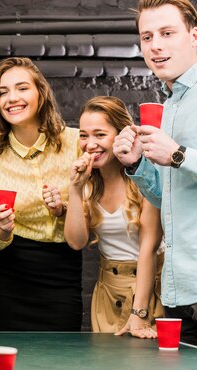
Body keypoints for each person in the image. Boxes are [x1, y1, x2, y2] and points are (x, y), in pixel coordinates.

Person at [113, 0, 197, 354]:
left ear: (194, 36)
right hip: (178, 292)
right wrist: (138, 166)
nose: (156, 45)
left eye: (167, 33)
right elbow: (168, 198)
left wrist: (181, 156)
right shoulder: (169, 107)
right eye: (147, 36)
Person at [0, 57, 83, 331]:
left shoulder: (75, 143)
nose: (12, 98)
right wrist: (1, 229)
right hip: (11, 282)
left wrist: (65, 210)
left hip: (63, 277)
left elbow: (96, 208)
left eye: (22, 88)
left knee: (62, 367)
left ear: (40, 94)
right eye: (3, 92)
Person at [64, 96, 164, 338]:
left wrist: (138, 314)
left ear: (122, 135)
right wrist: (75, 189)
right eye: (84, 135)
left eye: (100, 135)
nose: (90, 144)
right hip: (107, 291)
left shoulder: (144, 177)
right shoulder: (86, 182)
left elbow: (148, 248)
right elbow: (76, 242)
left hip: (148, 288)